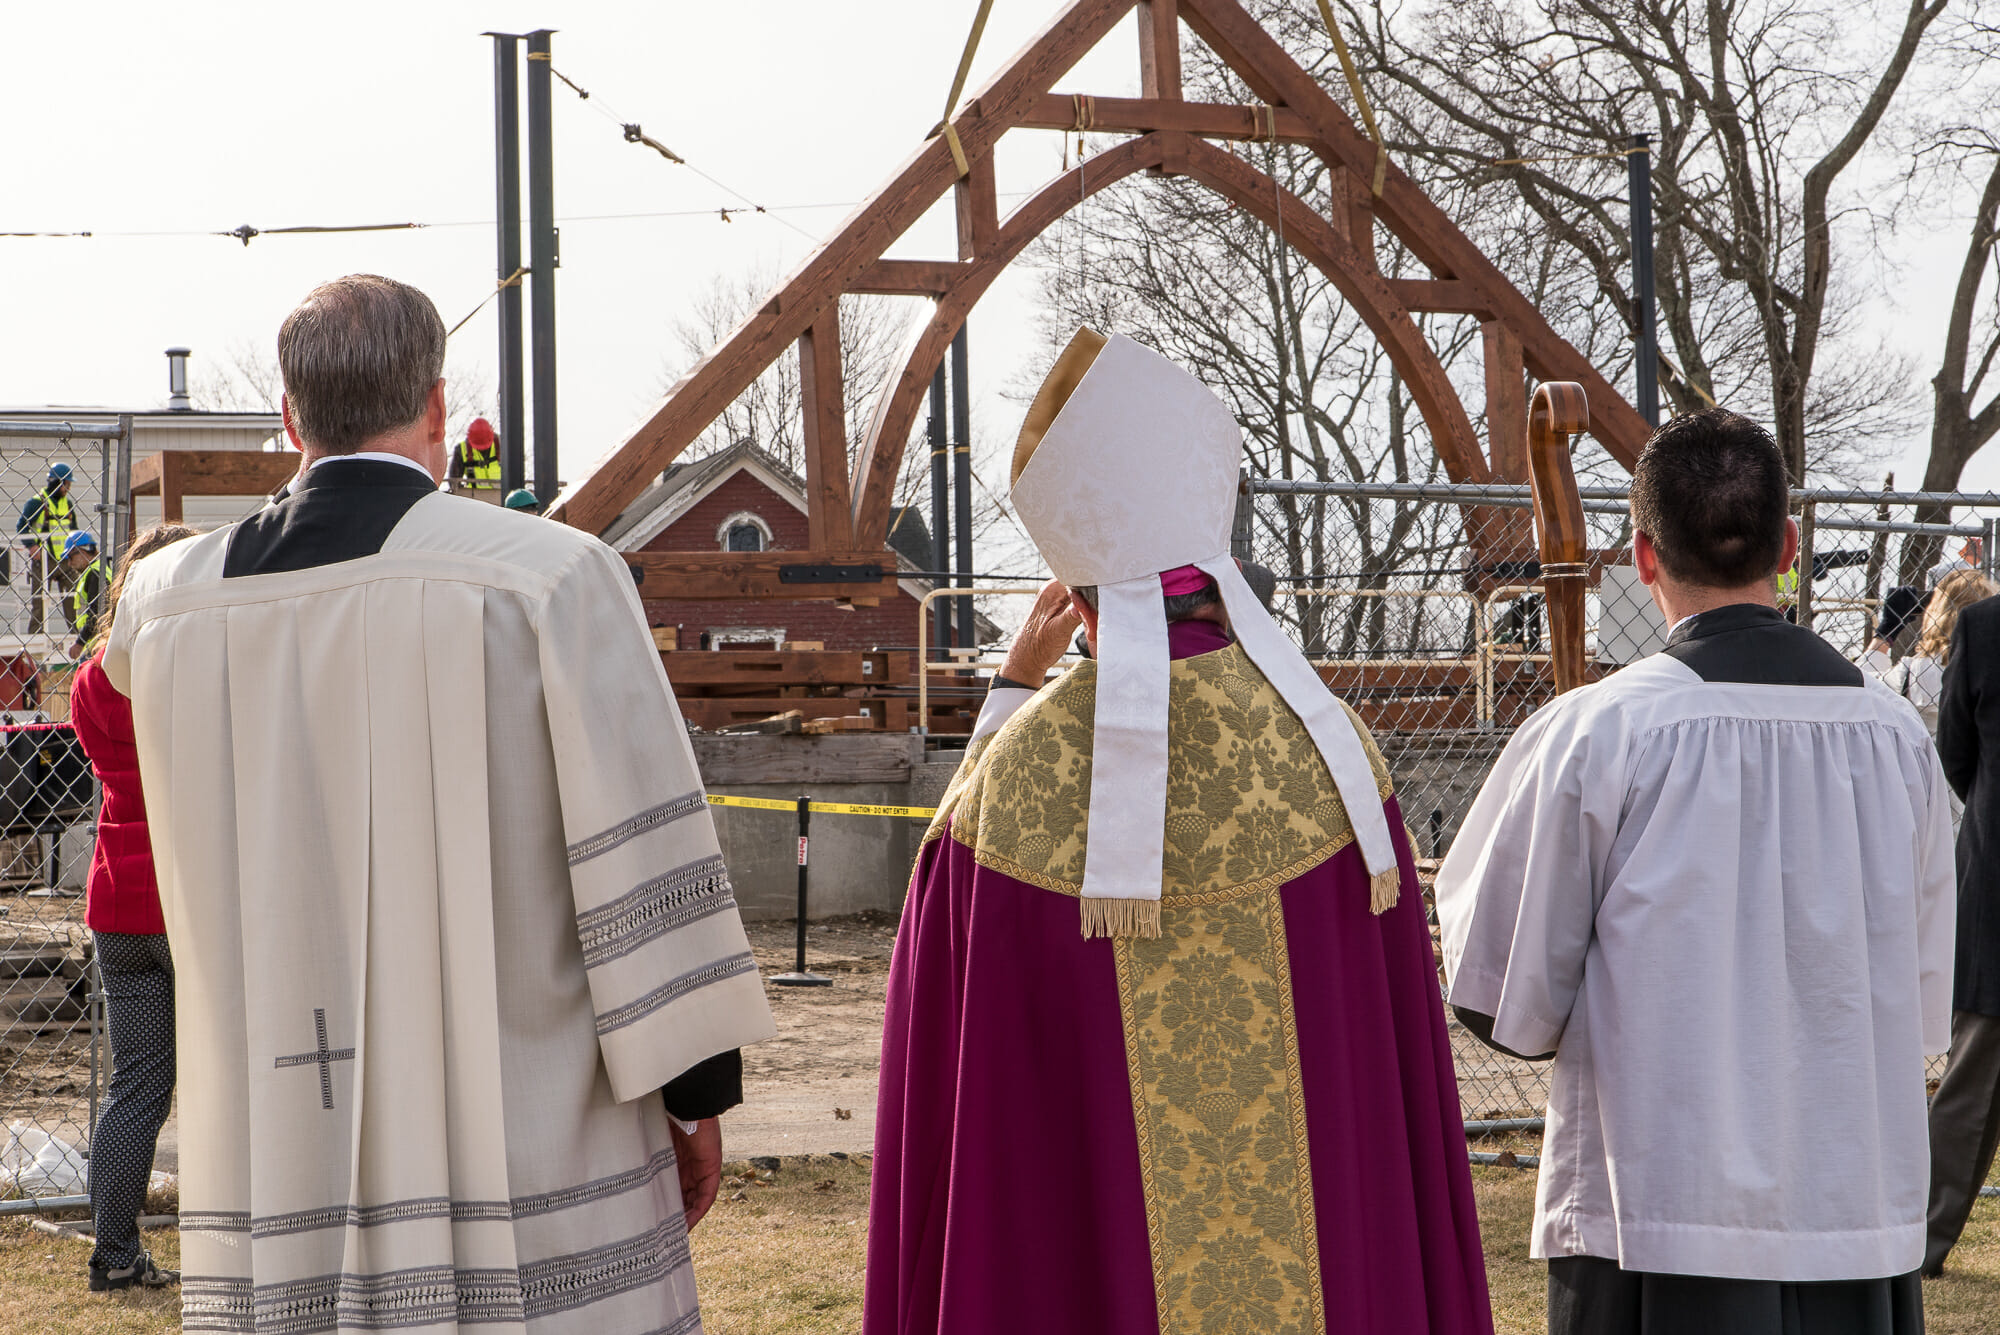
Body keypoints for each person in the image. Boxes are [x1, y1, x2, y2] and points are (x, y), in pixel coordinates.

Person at [102, 275, 774, 1333]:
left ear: (288, 419)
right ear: (435, 409)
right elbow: (640, 860)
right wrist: (694, 1092)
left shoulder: (170, 608)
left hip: (283, 1124)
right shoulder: (550, 580)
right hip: (515, 1117)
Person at [866, 329, 1492, 1335]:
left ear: (1074, 603)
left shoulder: (1012, 794)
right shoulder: (1335, 762)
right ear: (1216, 572)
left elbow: (950, 1097)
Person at [1436, 408, 1953, 1335]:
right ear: (1788, 547)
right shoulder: (1898, 740)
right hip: (1851, 1206)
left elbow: (1501, 997)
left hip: (1658, 1212)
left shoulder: (1600, 731)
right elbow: (1917, 999)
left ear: (1640, 554)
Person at [71, 521, 199, 1292]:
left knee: (138, 1085)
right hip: (184, 896)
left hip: (117, 898)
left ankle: (113, 1252)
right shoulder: (183, 665)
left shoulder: (92, 679)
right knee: (218, 1075)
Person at [1922, 568, 2000, 1274]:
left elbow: (1955, 757)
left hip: (1996, 875)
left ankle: (1923, 1238)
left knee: (1973, 1077)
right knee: (1973, 1076)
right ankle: (1921, 1237)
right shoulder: (1981, 627)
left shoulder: (1982, 629)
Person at [1862, 568, 1995, 735]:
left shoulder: (1914, 671)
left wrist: (1887, 630)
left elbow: (1861, 684)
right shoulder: (1990, 667)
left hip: (1930, 757)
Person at [18, 462, 77, 634]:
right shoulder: (37, 502)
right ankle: (35, 637)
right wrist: (31, 546)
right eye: (67, 484)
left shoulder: (69, 504)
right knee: (39, 602)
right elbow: (22, 526)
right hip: (43, 559)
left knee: (72, 600)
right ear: (58, 483)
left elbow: (73, 530)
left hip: (66, 560)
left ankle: (77, 637)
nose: (68, 488)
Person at [61, 530, 104, 659]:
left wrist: (80, 643)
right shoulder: (96, 571)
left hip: (94, 645)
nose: (69, 563)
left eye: (70, 557)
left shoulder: (94, 575)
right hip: (96, 642)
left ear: (82, 552)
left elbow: (96, 612)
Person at [448, 414, 502, 492]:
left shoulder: (503, 445)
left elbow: (515, 473)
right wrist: (463, 494)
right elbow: (454, 481)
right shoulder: (462, 450)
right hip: (474, 499)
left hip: (502, 498)